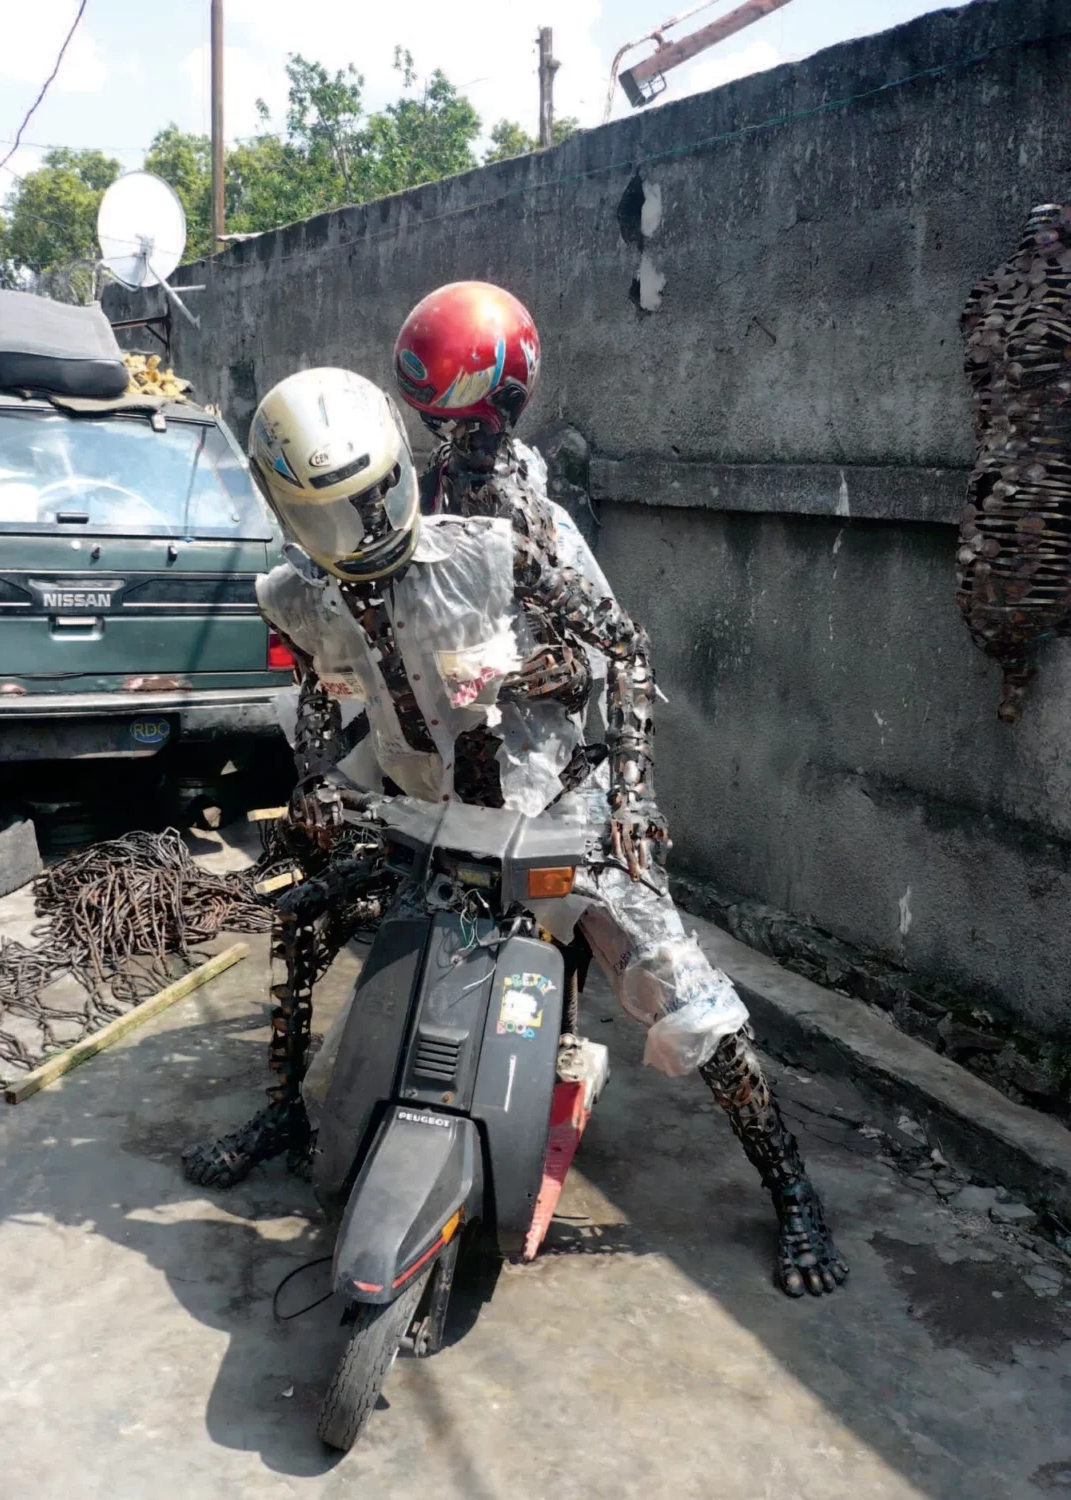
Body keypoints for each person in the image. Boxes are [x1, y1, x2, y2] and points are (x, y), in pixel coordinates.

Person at [183, 320, 847, 1298]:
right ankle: (288, 1104)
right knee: (303, 921)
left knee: (694, 1001)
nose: (357, 528)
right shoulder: (314, 578)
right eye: (326, 515)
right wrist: (320, 777)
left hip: (555, 814)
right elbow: (324, 680)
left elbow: (615, 652)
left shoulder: (515, 535)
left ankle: (791, 1187)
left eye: (368, 500)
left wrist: (617, 794)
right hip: (429, 813)